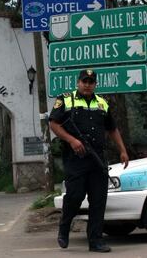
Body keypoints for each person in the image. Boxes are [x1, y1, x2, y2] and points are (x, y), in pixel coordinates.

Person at [49, 69, 129, 253]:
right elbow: (53, 123)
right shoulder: (66, 99)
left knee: (98, 200)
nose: (87, 84)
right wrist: (72, 140)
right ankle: (64, 226)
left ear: (95, 84)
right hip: (75, 159)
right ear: (78, 82)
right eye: (84, 81)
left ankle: (96, 241)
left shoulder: (102, 103)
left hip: (97, 158)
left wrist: (122, 150)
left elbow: (112, 129)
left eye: (91, 81)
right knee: (75, 196)